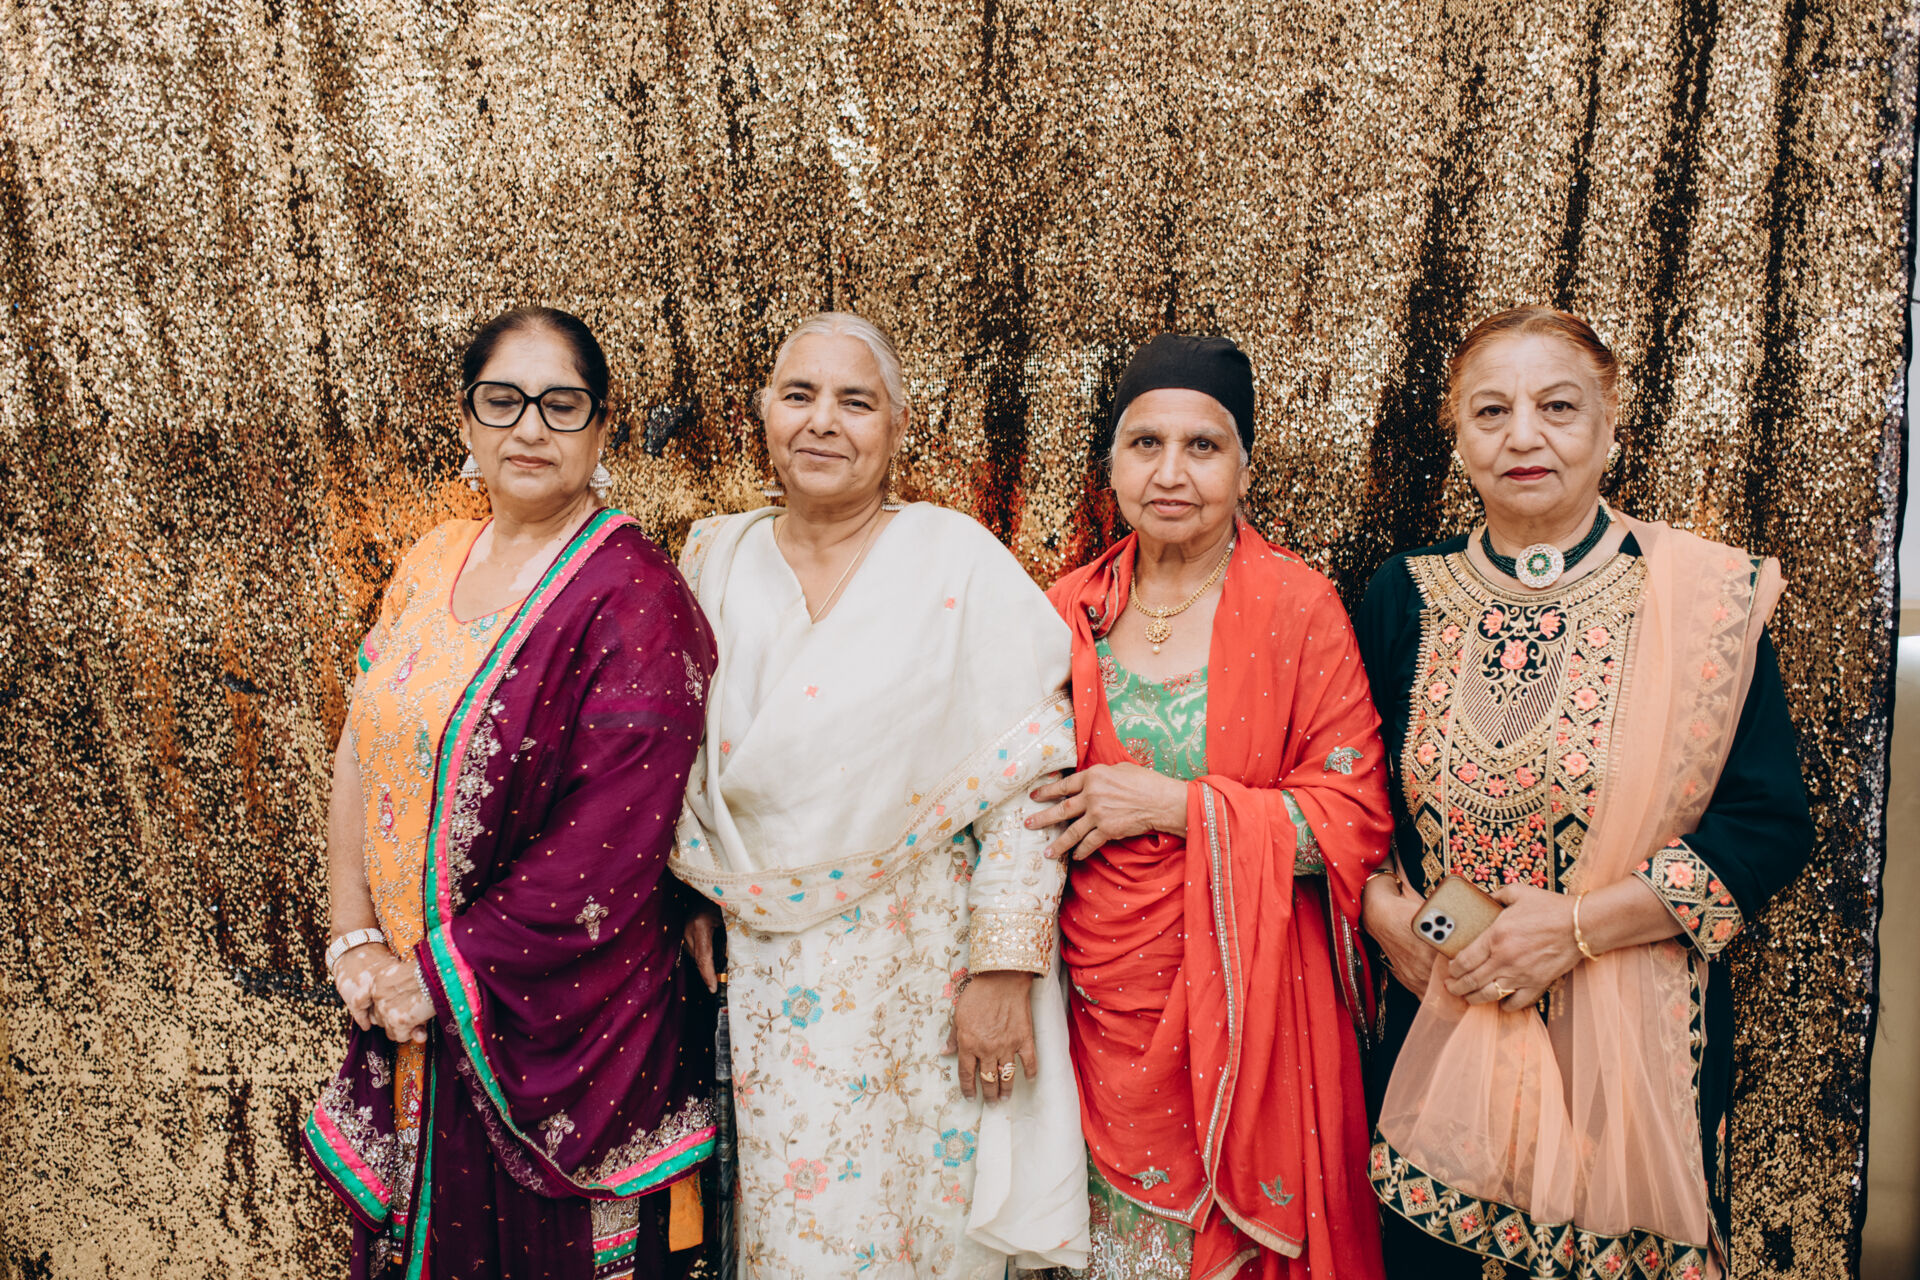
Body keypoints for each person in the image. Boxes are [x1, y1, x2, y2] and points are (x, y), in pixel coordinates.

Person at [1356, 307, 1814, 1279]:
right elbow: (1351, 798)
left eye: (1557, 407)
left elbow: (1767, 826)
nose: (1523, 435)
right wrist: (1377, 908)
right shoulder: (1403, 594)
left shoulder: (1697, 599)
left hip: (1632, 1049)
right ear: (1458, 436)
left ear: (1610, 425)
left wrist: (1574, 930)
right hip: (1441, 1026)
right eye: (1491, 411)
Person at [671, 312, 1089, 1277]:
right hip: (763, 975)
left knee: (923, 1229)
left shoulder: (956, 560)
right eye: (799, 395)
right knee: (790, 1232)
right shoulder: (711, 561)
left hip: (923, 973)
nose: (823, 421)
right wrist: (688, 889)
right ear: (765, 415)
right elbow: (675, 763)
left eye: (855, 402)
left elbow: (1030, 779)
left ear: (897, 427)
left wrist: (1002, 971)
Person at [303, 306, 718, 1279]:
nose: (530, 427)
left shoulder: (636, 596)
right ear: (467, 419)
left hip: (558, 1029)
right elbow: (362, 738)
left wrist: (437, 977)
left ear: (602, 428)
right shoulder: (433, 558)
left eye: (561, 404)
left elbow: (608, 847)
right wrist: (354, 939)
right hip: (409, 1016)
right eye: (504, 400)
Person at [1034, 334, 1392, 1280]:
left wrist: (1173, 806)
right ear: (1111, 465)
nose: (1171, 472)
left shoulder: (1299, 609)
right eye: (1145, 444)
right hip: (1091, 1010)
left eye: (1203, 445)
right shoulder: (1069, 610)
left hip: (1251, 1011)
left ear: (1245, 468)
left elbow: (1351, 821)